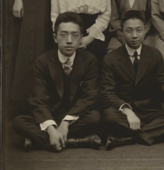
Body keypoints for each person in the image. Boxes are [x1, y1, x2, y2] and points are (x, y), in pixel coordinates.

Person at [13, 12, 102, 152]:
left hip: (74, 117)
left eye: (75, 35)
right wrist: (51, 129)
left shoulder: (90, 60)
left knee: (95, 117)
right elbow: (38, 99)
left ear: (80, 38)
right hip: (51, 114)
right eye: (63, 34)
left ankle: (42, 141)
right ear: (55, 37)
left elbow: (90, 96)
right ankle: (73, 141)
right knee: (19, 122)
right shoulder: (42, 62)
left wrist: (65, 123)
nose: (69, 40)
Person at [101, 10, 164, 150]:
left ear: (145, 30)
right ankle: (154, 133)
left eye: (138, 30)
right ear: (121, 32)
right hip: (125, 112)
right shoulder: (111, 58)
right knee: (108, 116)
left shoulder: (154, 54)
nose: (134, 35)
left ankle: (128, 138)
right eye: (129, 30)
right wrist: (127, 111)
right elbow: (107, 93)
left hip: (150, 111)